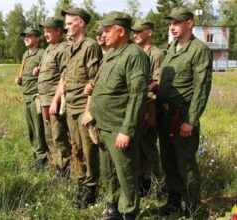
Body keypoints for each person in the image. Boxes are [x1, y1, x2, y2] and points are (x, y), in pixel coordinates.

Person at [89, 11, 149, 219]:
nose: (103, 35)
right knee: (109, 172)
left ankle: (129, 212)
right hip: (104, 125)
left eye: (107, 31)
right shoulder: (112, 54)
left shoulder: (134, 55)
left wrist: (127, 130)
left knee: (126, 173)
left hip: (119, 127)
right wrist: (93, 87)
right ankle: (113, 207)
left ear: (121, 31)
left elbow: (138, 95)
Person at [156, 7, 212, 218]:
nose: (172, 27)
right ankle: (173, 202)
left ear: (189, 23)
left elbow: (201, 87)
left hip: (182, 117)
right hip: (165, 116)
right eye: (170, 23)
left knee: (186, 164)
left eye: (176, 22)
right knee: (168, 161)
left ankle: (193, 208)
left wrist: (191, 120)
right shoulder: (171, 48)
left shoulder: (199, 50)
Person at [51, 7, 102, 209]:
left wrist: (88, 111)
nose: (66, 28)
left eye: (70, 23)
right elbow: (65, 77)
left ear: (81, 23)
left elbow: (95, 80)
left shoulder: (90, 46)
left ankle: (91, 189)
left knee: (90, 151)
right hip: (71, 107)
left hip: (83, 108)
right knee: (77, 149)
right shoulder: (71, 48)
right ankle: (83, 181)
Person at [132, 20, 165, 197]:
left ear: (149, 32)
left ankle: (155, 183)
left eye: (139, 31)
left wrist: (142, 89)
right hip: (136, 104)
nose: (135, 34)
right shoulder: (135, 52)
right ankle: (142, 182)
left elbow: (158, 81)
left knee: (149, 146)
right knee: (137, 146)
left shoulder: (156, 54)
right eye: (134, 31)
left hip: (149, 105)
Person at [37, 17, 72, 180]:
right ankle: (57, 167)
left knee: (59, 137)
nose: (45, 34)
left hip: (54, 102)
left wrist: (55, 100)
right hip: (44, 101)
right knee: (49, 136)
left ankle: (66, 170)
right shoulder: (49, 49)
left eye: (48, 30)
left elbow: (64, 76)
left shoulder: (63, 48)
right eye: (44, 31)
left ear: (59, 31)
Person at [15, 27, 48, 171]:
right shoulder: (25, 55)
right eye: (25, 36)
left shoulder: (42, 54)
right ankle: (36, 155)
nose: (26, 38)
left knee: (39, 128)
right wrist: (19, 80)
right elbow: (24, 75)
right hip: (26, 96)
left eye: (29, 36)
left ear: (37, 38)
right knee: (31, 129)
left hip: (36, 97)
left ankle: (42, 159)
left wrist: (40, 72)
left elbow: (49, 73)